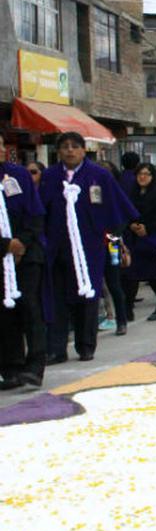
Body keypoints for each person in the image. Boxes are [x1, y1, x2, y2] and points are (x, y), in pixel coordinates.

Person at [40, 132, 137, 362]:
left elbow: (117, 208)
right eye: (65, 147)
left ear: (84, 150)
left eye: (75, 146)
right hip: (58, 246)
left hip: (90, 247)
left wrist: (109, 236)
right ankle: (56, 348)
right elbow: (42, 209)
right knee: (58, 297)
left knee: (88, 295)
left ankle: (86, 345)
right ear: (58, 151)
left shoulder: (99, 176)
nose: (70, 151)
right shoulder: (51, 176)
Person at [0, 137, 46, 389]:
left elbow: (35, 212)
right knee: (6, 314)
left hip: (26, 254)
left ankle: (35, 365)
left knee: (29, 306)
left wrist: (22, 242)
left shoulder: (17, 176)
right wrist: (5, 245)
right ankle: (11, 368)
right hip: (3, 251)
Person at [122, 163, 156, 320]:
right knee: (130, 276)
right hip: (135, 240)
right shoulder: (132, 193)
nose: (142, 177)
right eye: (140, 173)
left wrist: (148, 228)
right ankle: (127, 310)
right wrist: (132, 225)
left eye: (146, 174)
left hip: (155, 239)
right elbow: (126, 212)